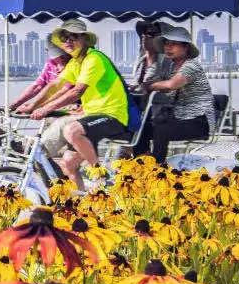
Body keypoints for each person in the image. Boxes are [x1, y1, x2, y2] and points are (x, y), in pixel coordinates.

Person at [30, 20, 128, 190]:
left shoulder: (94, 58)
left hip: (112, 116)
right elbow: (54, 86)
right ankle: (80, 202)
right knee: (68, 164)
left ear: (84, 39)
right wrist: (31, 106)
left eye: (74, 36)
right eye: (64, 37)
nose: (68, 41)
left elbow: (77, 91)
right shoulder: (75, 63)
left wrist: (45, 109)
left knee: (71, 130)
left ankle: (100, 174)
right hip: (91, 118)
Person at [135, 26, 215, 163]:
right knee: (140, 128)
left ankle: (157, 166)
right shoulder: (171, 67)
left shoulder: (192, 66)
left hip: (200, 121)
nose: (168, 47)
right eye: (166, 44)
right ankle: (142, 161)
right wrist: (143, 86)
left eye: (174, 44)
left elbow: (170, 85)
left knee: (161, 130)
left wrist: (149, 86)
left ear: (186, 47)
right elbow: (160, 83)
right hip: (179, 118)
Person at [10, 37, 70, 111]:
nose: (62, 58)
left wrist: (35, 106)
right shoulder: (50, 63)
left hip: (69, 107)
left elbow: (66, 91)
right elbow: (37, 86)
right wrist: (14, 105)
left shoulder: (74, 64)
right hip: (50, 106)